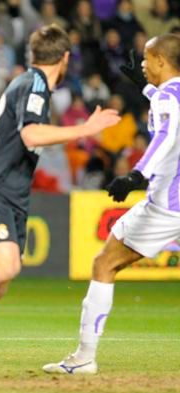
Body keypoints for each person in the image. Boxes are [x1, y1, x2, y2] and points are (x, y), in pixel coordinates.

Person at [0, 24, 121, 384]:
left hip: (11, 195)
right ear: (64, 59)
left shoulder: (30, 85)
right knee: (4, 266)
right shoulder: (33, 84)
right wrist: (85, 129)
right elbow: (31, 133)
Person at [43, 33, 180, 375]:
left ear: (162, 61)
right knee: (105, 260)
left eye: (148, 59)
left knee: (104, 264)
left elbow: (167, 135)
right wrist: (145, 88)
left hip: (167, 205)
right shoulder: (170, 93)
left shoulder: (168, 97)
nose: (143, 65)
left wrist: (136, 174)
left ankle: (84, 357)